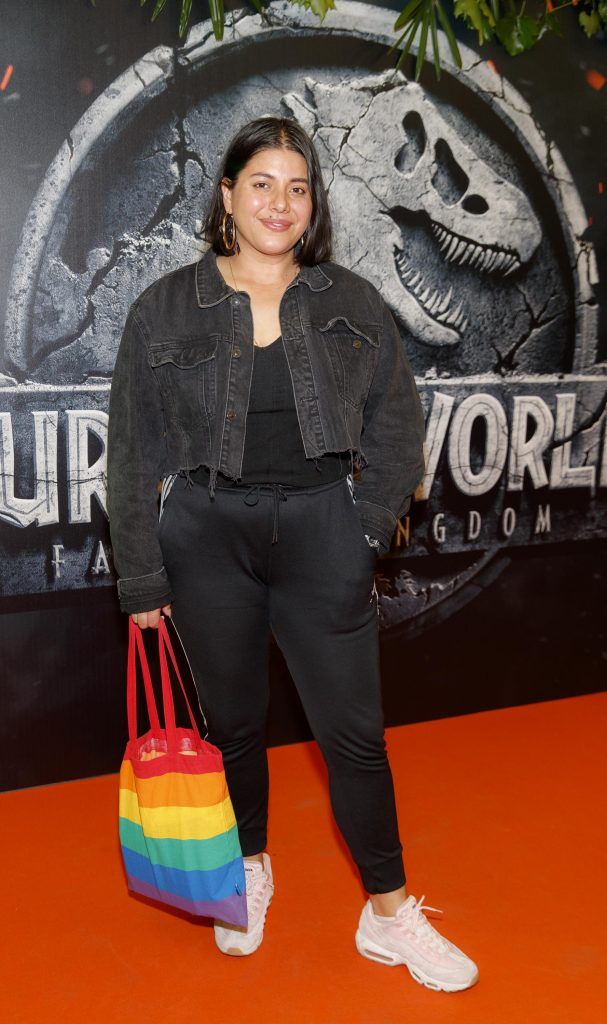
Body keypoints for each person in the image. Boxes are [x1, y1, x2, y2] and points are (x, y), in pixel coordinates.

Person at [107, 116, 478, 992]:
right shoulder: (165, 305)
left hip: (321, 532)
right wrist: (141, 579)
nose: (280, 202)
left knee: (354, 738)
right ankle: (250, 864)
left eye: (298, 187)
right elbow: (130, 451)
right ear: (227, 196)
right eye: (262, 183)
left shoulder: (349, 300)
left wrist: (364, 525)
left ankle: (387, 913)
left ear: (312, 206)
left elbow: (396, 423)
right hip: (205, 536)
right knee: (234, 727)